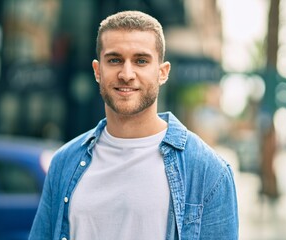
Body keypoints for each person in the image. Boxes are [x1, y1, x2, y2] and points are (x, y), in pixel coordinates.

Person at [29, 10, 238, 240]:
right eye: (115, 60)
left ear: (162, 72)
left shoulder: (208, 170)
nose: (126, 74)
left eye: (141, 61)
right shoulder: (63, 163)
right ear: (98, 71)